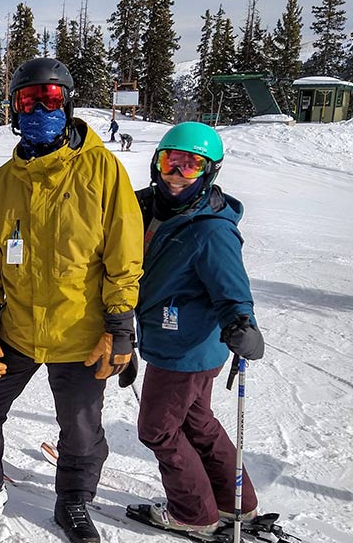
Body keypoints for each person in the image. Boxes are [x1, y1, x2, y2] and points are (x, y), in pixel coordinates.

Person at [0, 58, 144, 543]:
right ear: (13, 109)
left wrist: (120, 328)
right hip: (17, 328)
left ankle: (74, 501)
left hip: (82, 334)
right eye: (28, 100)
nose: (40, 108)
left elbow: (124, 257)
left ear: (67, 103)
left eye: (49, 98)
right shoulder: (5, 181)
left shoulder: (102, 170)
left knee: (81, 430)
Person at [127, 122, 265, 535]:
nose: (176, 175)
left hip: (185, 347)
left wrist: (243, 324)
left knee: (158, 429)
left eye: (190, 167)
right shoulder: (149, 207)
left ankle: (193, 512)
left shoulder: (210, 228)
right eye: (171, 162)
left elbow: (232, 289)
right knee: (197, 420)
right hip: (181, 343)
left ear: (208, 172)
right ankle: (235, 503)